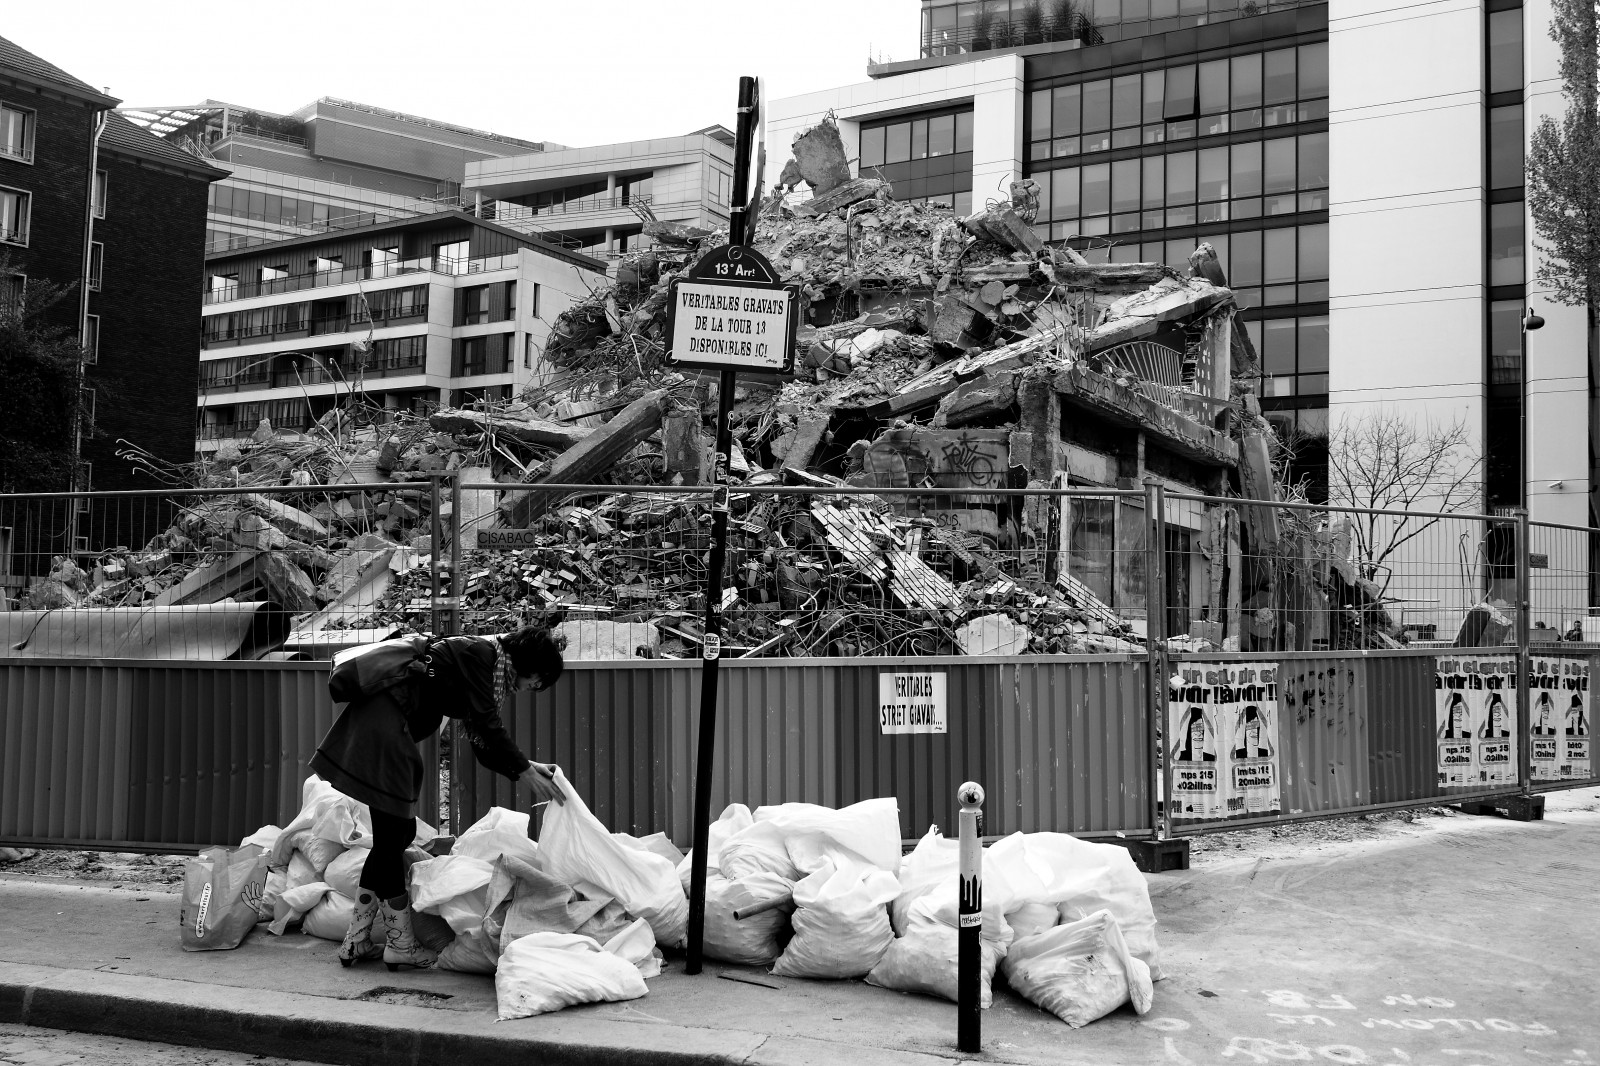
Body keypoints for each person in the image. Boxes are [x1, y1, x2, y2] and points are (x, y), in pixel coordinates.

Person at [310, 626, 566, 970]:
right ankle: (400, 944)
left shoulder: (487, 666)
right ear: (532, 665)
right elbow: (488, 725)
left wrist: (527, 767)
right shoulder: (481, 655)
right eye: (538, 681)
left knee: (393, 837)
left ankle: (356, 940)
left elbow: (483, 744)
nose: (532, 688)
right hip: (384, 730)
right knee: (392, 838)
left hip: (385, 729)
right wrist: (525, 771)